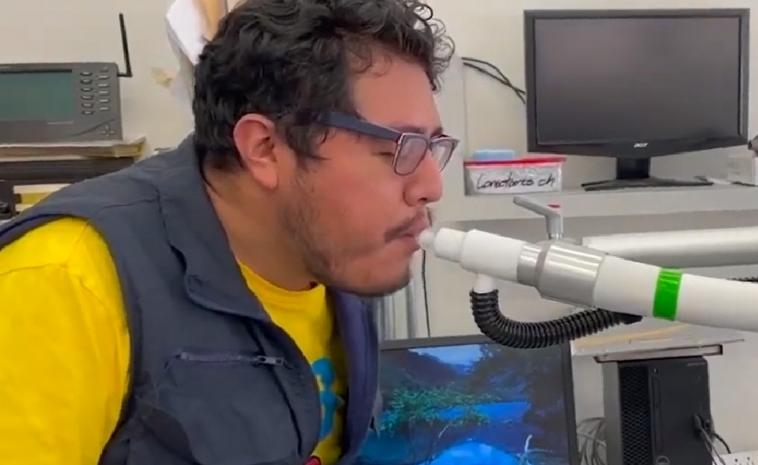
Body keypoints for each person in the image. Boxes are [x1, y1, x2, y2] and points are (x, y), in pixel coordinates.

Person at [0, 0, 456, 464]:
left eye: (432, 146)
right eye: (397, 149)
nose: (430, 187)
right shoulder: (64, 278)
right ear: (264, 147)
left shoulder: (332, 252)